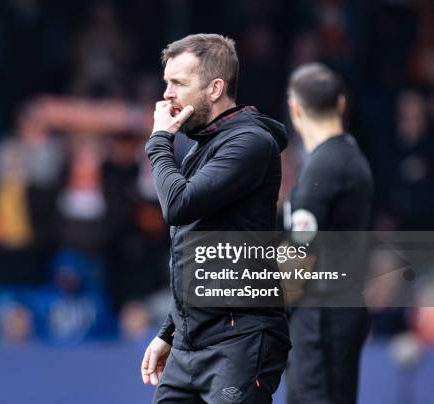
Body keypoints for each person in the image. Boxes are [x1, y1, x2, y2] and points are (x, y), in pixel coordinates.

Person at [141, 33, 290, 404]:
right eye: (166, 83)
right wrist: (171, 331)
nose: (167, 95)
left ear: (215, 88)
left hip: (240, 339)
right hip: (192, 343)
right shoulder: (202, 146)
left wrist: (160, 140)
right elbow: (197, 245)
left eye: (178, 83)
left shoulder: (250, 142)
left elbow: (178, 205)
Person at [285, 63, 374, 404]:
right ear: (340, 103)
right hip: (338, 314)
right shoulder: (351, 157)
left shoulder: (322, 169)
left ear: (295, 109)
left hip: (320, 324)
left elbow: (298, 259)